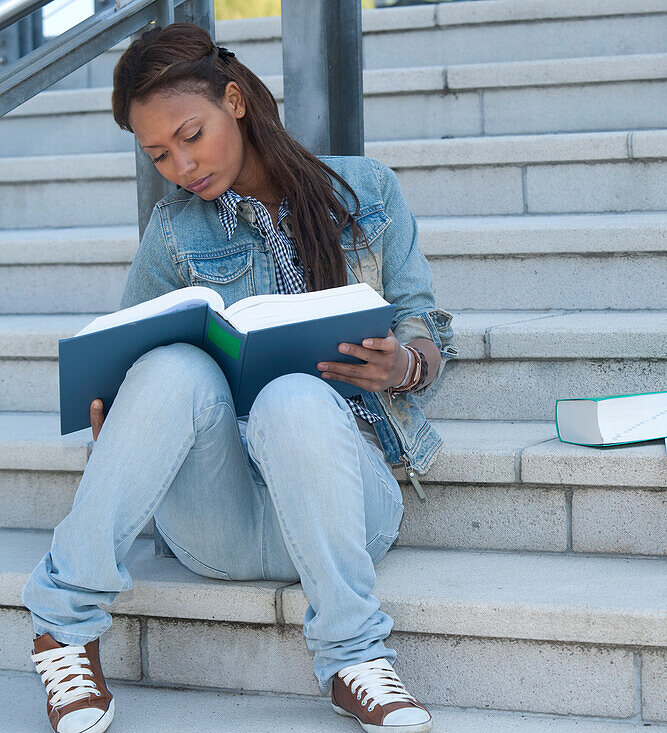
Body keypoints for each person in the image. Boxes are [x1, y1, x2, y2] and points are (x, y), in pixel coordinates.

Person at [21, 22, 454, 733]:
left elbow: (423, 321)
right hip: (217, 518)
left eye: (191, 135)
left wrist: (405, 362)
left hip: (344, 500)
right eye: (158, 153)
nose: (180, 165)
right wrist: (124, 410)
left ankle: (353, 654)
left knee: (293, 393)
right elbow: (124, 352)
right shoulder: (173, 232)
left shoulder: (366, 190)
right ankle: (63, 627)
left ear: (235, 100)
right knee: (169, 365)